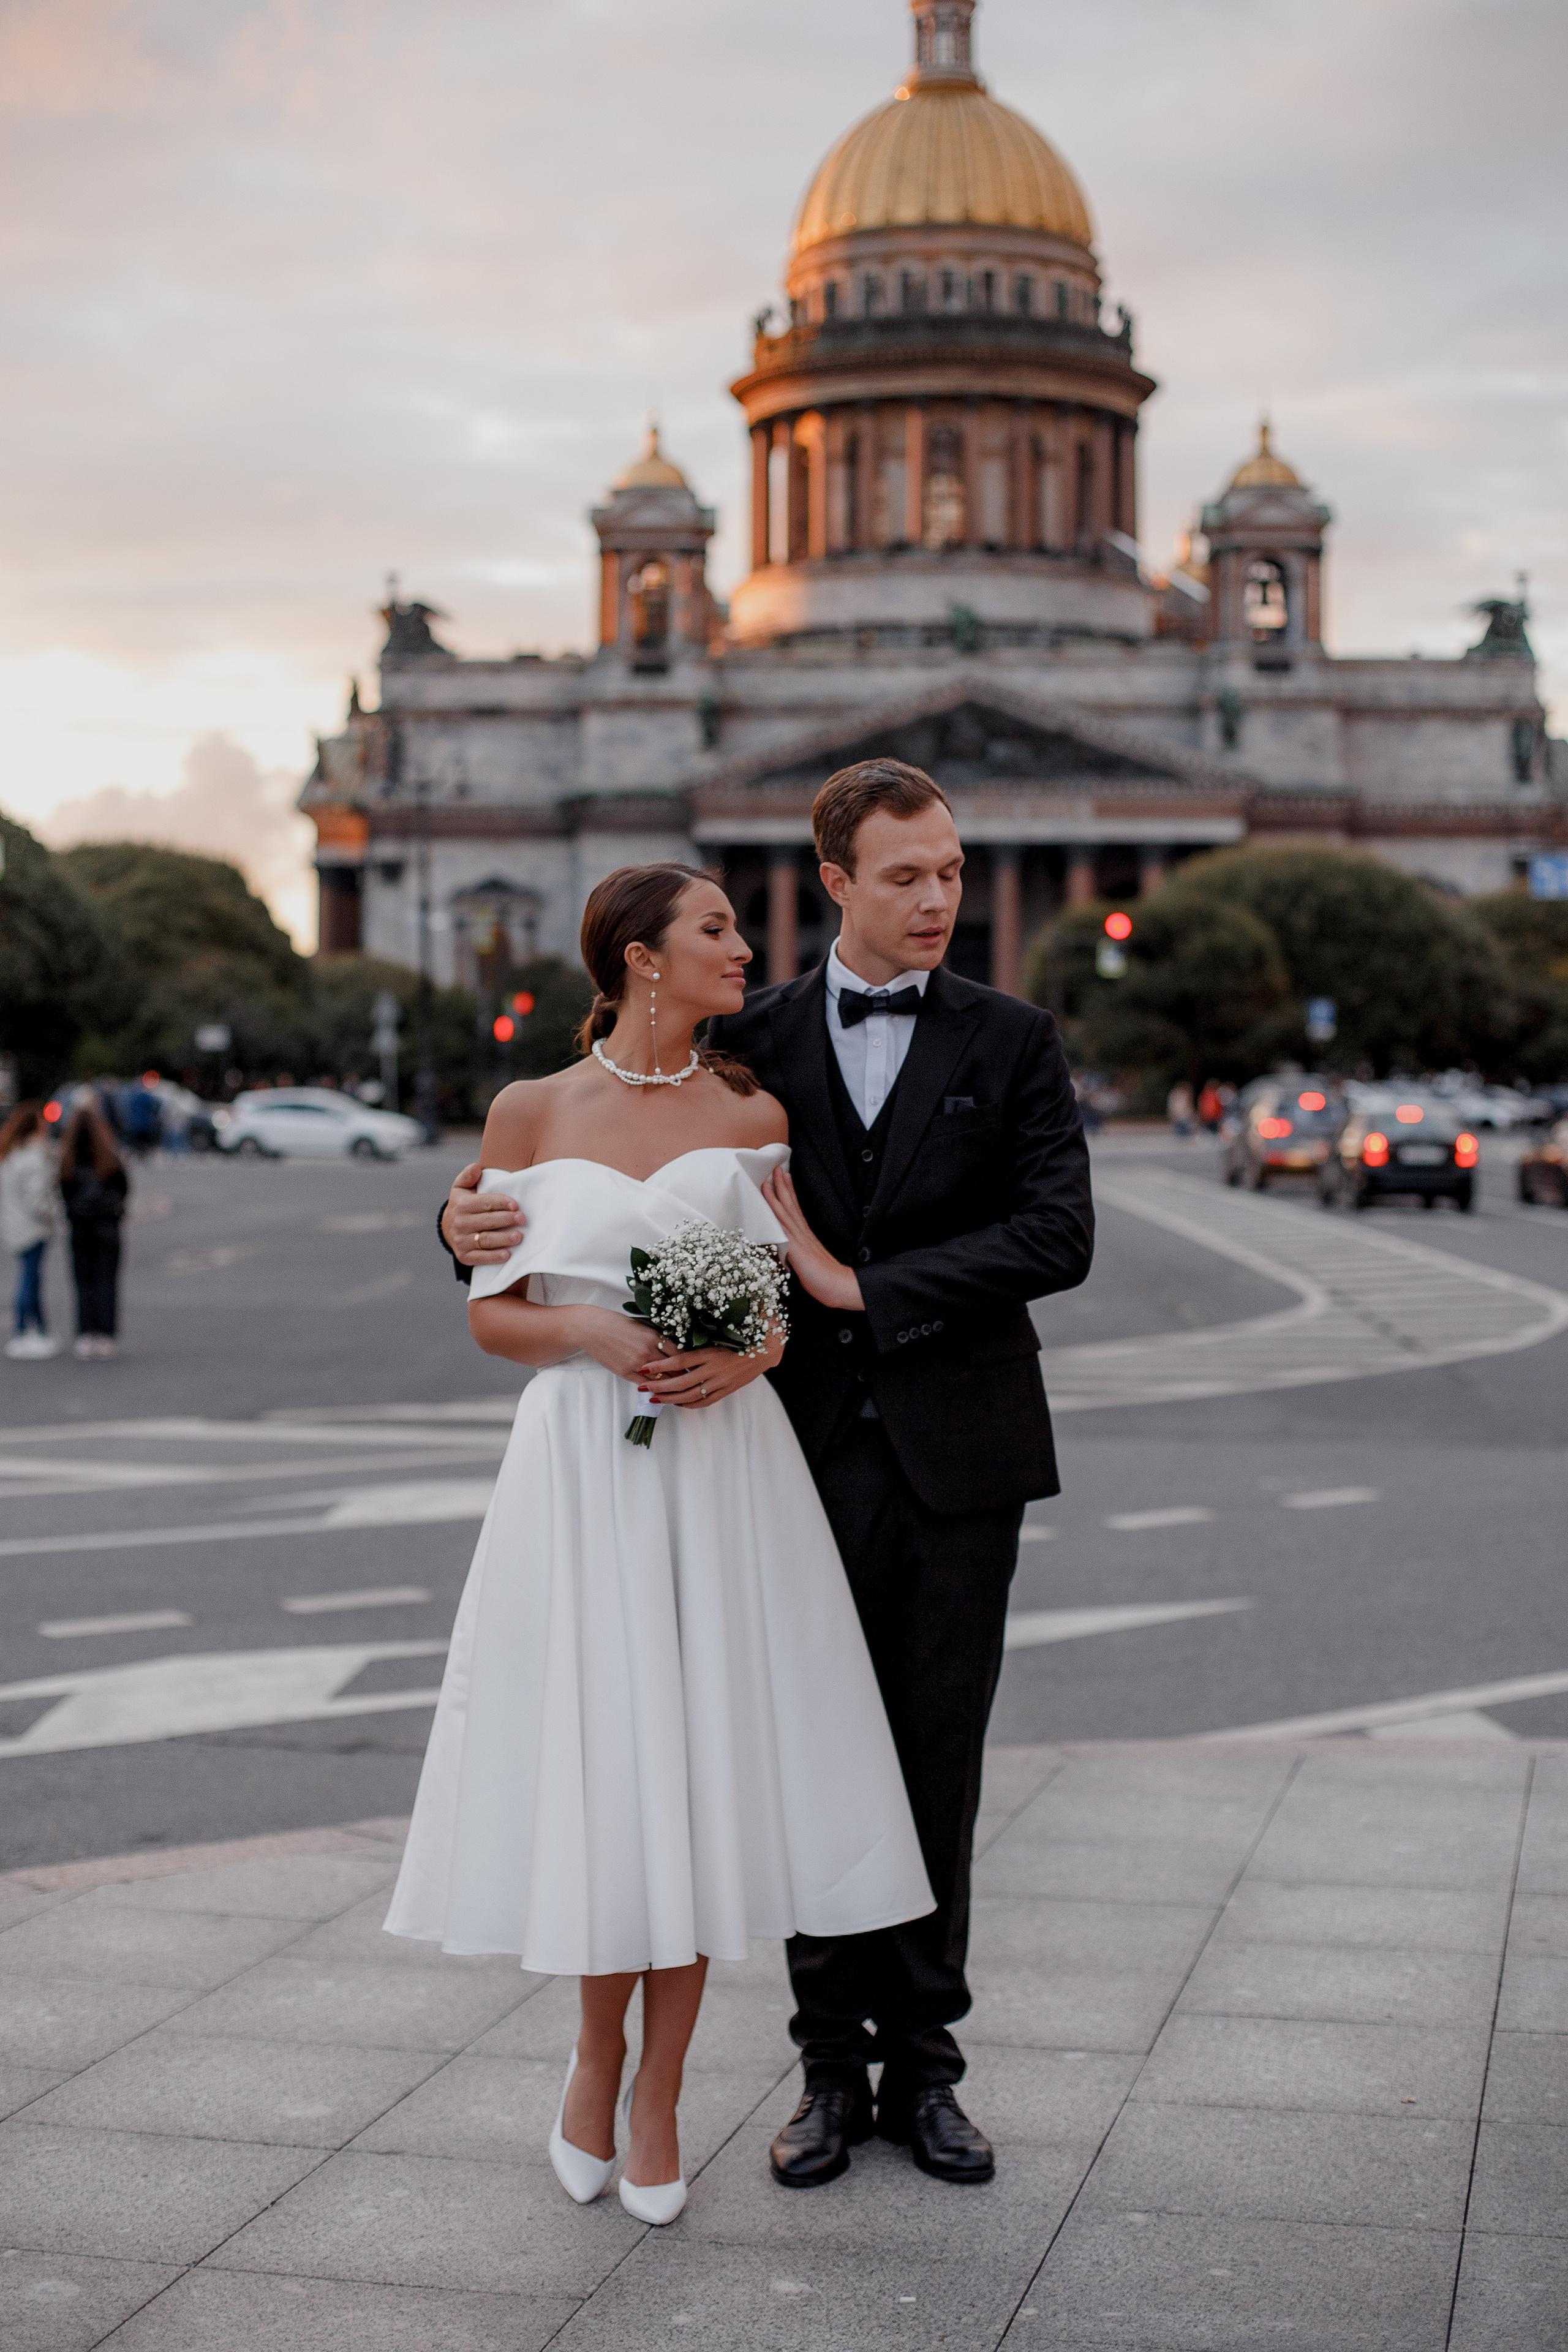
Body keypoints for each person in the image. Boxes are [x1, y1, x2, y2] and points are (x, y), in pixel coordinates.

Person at [441, 760, 1095, 2191]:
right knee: (785, 1756)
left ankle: (923, 2073)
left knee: (929, 1764)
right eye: (906, 874)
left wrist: (855, 1288)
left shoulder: (1011, 1035)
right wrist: (459, 1214)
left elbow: (1055, 1234)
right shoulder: (754, 1037)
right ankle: (818, 2072)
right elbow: (559, 1201)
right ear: (838, 881)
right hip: (772, 1454)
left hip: (949, 1451)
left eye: (950, 871)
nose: (937, 899)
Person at [388, 862, 933, 2227]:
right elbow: (491, 1313)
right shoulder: (527, 1109)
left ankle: (659, 2095)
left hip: (715, 1468)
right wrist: (586, 1329)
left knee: (688, 1781)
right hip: (580, 1466)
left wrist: (743, 1358)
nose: (743, 952)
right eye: (714, 932)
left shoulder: (751, 1111)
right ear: (640, 958)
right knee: (606, 1771)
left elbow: (774, 1308)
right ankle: (588, 2060)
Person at [58, 1100, 129, 1360]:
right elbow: (123, 1187)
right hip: (107, 1225)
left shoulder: (68, 1159)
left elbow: (64, 1192)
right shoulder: (109, 1155)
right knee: (107, 1282)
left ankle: (85, 1334)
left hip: (80, 1225)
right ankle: (106, 1334)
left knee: (83, 1282)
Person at [1, 1104, 62, 1360]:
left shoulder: (10, 1154)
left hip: (15, 1226)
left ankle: (35, 1330)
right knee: (31, 1280)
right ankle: (25, 1330)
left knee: (31, 1278)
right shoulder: (34, 1157)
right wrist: (53, 1216)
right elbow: (39, 1201)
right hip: (33, 1228)